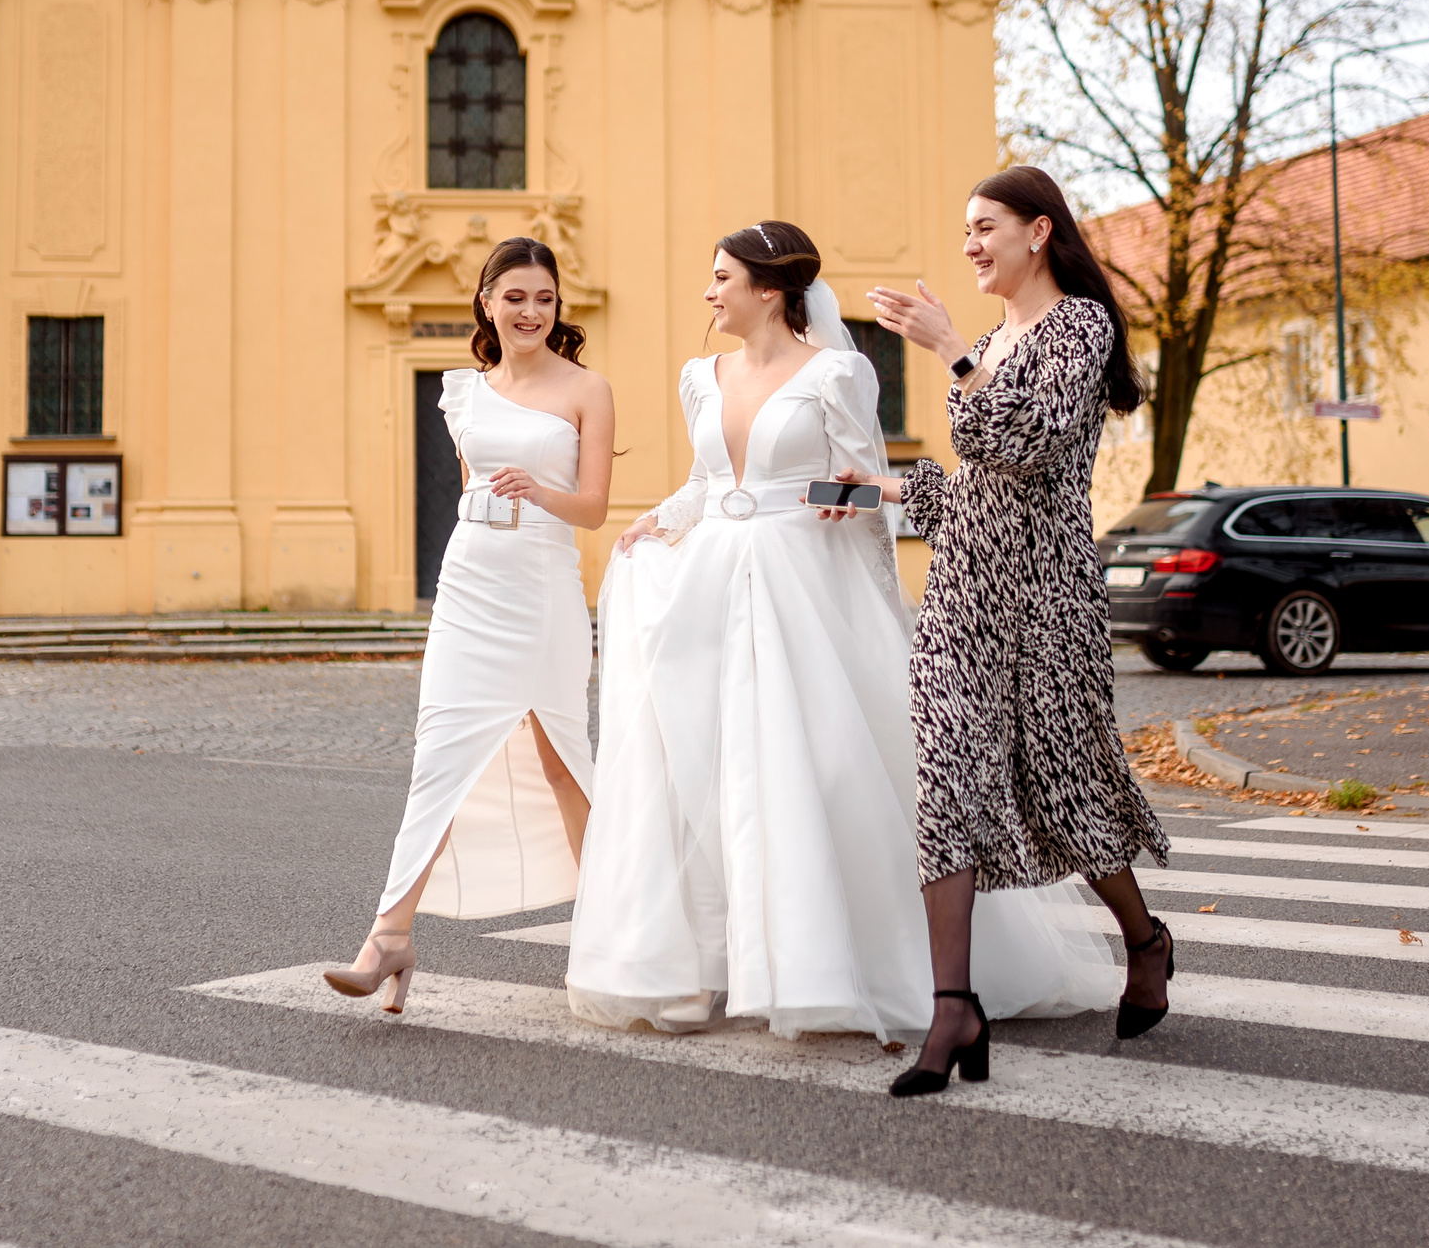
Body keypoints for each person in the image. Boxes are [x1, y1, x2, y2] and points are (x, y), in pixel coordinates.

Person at [566, 221, 1115, 1043]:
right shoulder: (698, 376)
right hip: (709, 581)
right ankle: (705, 960)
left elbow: (859, 484)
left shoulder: (839, 371)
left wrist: (877, 604)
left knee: (807, 766)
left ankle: (830, 963)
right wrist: (656, 520)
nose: (710, 292)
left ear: (768, 288)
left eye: (722, 278)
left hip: (801, 584)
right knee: (703, 765)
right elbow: (707, 483)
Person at [859, 165, 1174, 1097]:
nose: (968, 244)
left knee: (1070, 787)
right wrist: (890, 489)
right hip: (964, 595)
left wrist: (953, 349)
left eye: (983, 226)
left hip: (1050, 598)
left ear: (1039, 233)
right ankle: (952, 1003)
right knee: (948, 783)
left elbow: (1027, 440)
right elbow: (985, 484)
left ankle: (1145, 936)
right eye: (964, 229)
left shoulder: (1080, 326)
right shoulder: (997, 338)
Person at [323, 238, 615, 1013]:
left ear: (558, 307)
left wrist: (540, 491)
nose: (530, 311)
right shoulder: (465, 392)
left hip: (544, 584)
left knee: (562, 762)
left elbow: (594, 509)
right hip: (471, 581)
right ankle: (389, 935)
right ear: (486, 301)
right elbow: (468, 492)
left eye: (544, 299)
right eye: (514, 296)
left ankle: (609, 931)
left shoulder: (587, 388)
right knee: (440, 755)